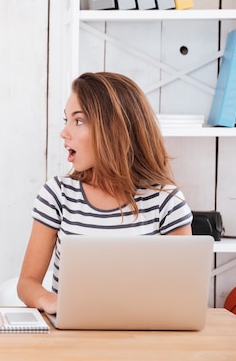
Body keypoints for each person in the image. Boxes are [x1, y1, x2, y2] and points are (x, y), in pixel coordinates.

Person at [17, 72, 192, 315]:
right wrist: (50, 301)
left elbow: (184, 292)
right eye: (66, 120)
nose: (64, 132)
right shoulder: (57, 194)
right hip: (72, 338)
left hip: (143, 337)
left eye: (78, 121)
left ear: (114, 130)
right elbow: (27, 284)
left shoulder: (166, 201)